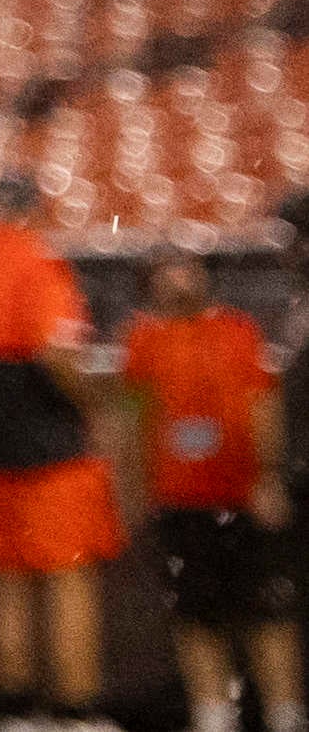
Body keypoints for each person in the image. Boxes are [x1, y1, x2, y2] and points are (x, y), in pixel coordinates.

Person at [0, 178, 120, 717]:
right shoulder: (40, 263)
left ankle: (16, 709)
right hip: (48, 446)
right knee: (68, 577)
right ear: (34, 212)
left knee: (7, 581)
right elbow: (56, 350)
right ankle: (77, 712)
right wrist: (93, 406)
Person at [152, 241, 301, 732]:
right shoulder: (144, 342)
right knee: (196, 615)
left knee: (267, 613)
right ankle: (213, 714)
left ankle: (284, 712)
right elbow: (136, 420)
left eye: (186, 270)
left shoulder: (237, 331)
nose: (178, 281)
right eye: (167, 272)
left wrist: (266, 477)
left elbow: (264, 406)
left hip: (239, 496)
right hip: (180, 499)